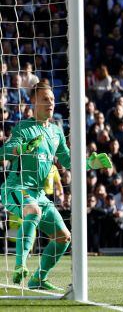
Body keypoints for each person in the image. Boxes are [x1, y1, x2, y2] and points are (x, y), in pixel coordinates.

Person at [0, 82, 111, 290]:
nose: (50, 103)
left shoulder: (56, 131)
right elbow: (3, 153)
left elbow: (69, 162)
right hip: (15, 188)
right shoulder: (23, 128)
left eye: (52, 99)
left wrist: (90, 164)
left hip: (39, 194)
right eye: (45, 99)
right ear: (33, 101)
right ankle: (19, 265)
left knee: (64, 237)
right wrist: (22, 148)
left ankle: (38, 279)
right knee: (33, 210)